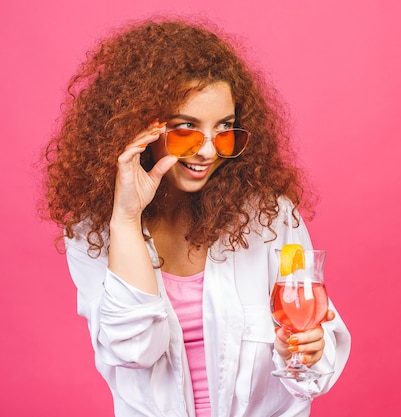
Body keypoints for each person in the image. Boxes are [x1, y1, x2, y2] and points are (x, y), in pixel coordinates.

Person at [43, 17, 350, 417]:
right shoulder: (94, 234)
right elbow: (133, 350)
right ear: (141, 129)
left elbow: (313, 354)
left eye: (223, 129)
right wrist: (126, 217)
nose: (208, 151)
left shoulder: (270, 221)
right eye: (187, 128)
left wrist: (311, 348)